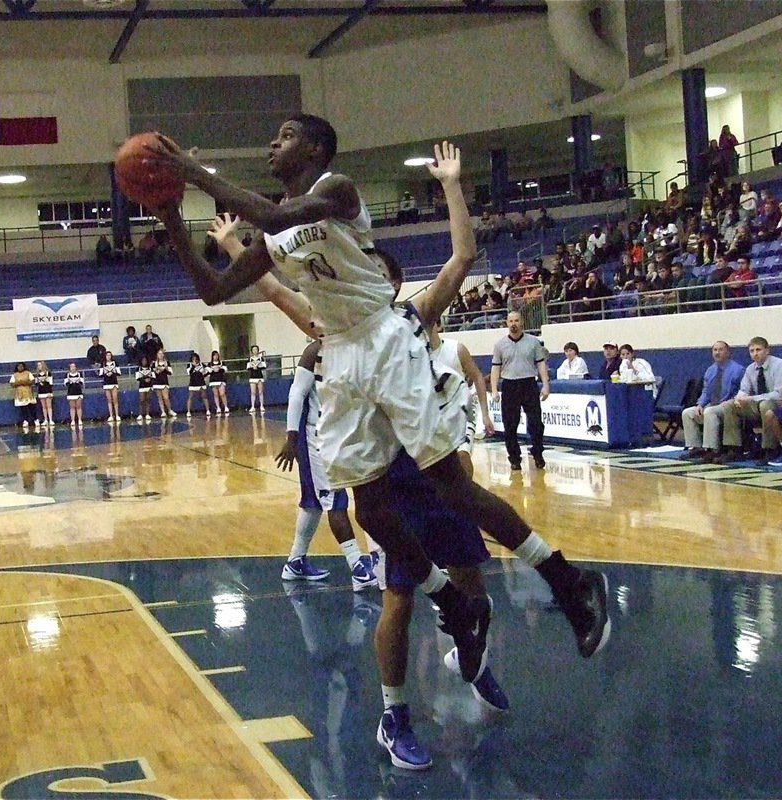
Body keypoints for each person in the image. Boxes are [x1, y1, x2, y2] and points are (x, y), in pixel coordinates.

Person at [150, 120, 608, 761]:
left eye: (284, 136)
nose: (272, 144)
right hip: (340, 357)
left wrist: (194, 175)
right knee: (368, 510)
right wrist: (171, 214)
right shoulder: (276, 237)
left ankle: (570, 583)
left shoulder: (336, 190)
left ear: (313, 150)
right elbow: (211, 288)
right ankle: (449, 600)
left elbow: (274, 214)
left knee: (452, 485)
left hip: (385, 339)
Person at [275, 339, 379, 592]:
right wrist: (292, 438)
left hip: (344, 435)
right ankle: (358, 567)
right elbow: (297, 393)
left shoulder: (355, 347)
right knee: (335, 501)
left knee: (314, 502)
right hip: (316, 438)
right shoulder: (314, 351)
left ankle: (295, 561)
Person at [705, 336, 782, 464]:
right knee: (730, 405)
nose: (755, 354)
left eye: (758, 350)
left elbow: (779, 394)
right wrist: (739, 398)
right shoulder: (751, 368)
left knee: (765, 405)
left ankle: (769, 449)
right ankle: (734, 449)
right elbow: (744, 389)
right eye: (752, 351)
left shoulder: (780, 365)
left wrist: (751, 398)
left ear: (767, 350)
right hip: (759, 403)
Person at [490, 311, 549, 470]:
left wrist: (545, 384)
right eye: (510, 321)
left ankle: (537, 453)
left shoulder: (534, 342)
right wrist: (494, 389)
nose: (513, 323)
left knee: (536, 423)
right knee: (510, 425)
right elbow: (496, 368)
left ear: (522, 322)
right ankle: (514, 458)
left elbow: (541, 364)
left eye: (516, 320)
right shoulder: (500, 345)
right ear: (507, 323)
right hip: (509, 385)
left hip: (529, 384)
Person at [680, 341, 746, 461]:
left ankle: (712, 449)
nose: (717, 352)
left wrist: (731, 401)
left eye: (720, 350)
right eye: (715, 350)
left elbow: (742, 391)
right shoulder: (710, 370)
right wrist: (700, 404)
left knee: (709, 412)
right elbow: (706, 391)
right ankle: (695, 447)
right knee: (688, 413)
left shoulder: (738, 370)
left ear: (727, 352)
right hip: (712, 404)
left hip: (727, 405)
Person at [10, 362, 37, 429]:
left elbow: (33, 381)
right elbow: (12, 384)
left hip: (28, 393)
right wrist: (19, 383)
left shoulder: (28, 373)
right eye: (19, 367)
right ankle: (25, 420)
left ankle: (35, 420)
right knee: (23, 408)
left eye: (22, 366)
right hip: (20, 394)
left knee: (31, 407)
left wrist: (25, 382)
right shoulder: (14, 375)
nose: (20, 368)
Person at [97, 351, 121, 423]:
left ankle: (117, 415)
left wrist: (113, 372)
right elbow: (100, 374)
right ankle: (111, 415)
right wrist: (106, 373)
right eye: (107, 355)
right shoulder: (103, 364)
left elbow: (119, 372)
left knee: (115, 399)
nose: (108, 357)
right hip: (107, 383)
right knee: (109, 400)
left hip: (113, 382)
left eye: (109, 355)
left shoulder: (115, 363)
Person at [152, 350, 177, 418]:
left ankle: (169, 410)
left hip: (164, 382)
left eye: (161, 354)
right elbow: (153, 373)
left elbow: (170, 372)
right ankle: (163, 411)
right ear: (157, 355)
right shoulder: (154, 363)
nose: (160, 355)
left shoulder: (166, 363)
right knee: (159, 397)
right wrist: (157, 370)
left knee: (166, 397)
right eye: (159, 354)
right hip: (157, 382)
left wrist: (165, 368)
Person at [185, 352, 211, 418]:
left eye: (196, 359)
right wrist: (194, 366)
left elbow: (209, 370)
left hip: (201, 383)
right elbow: (189, 373)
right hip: (193, 383)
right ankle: (188, 411)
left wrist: (204, 375)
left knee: (204, 396)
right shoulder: (189, 365)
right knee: (190, 397)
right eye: (193, 359)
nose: (195, 361)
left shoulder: (202, 365)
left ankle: (208, 410)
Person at [205, 350, 229, 415]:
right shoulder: (209, 364)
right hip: (213, 380)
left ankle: (226, 407)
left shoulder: (221, 363)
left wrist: (219, 369)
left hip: (221, 380)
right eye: (214, 355)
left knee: (222, 394)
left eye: (217, 355)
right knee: (216, 394)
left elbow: (225, 369)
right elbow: (208, 371)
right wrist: (212, 369)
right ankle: (218, 407)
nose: (215, 357)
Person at [245, 345, 267, 414]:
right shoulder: (250, 359)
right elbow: (248, 368)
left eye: (256, 349)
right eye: (253, 350)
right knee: (253, 392)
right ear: (252, 351)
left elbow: (264, 366)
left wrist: (258, 367)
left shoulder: (261, 358)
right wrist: (252, 367)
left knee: (260, 392)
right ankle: (253, 406)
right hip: (252, 377)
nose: (255, 351)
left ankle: (261, 406)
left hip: (259, 376)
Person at [64, 362, 85, 427]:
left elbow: (82, 382)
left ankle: (79, 419)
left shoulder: (79, 374)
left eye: (74, 366)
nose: (73, 368)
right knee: (72, 407)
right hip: (71, 393)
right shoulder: (67, 375)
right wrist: (70, 382)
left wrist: (77, 382)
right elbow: (66, 384)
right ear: (69, 368)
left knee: (78, 407)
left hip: (78, 392)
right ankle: (72, 420)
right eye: (71, 367)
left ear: (76, 367)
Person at [35, 361, 55, 427]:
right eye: (38, 365)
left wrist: (49, 392)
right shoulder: (37, 374)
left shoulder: (48, 373)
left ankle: (51, 419)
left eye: (40, 365)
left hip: (48, 391)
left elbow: (51, 383)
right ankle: (45, 420)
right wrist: (39, 383)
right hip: (41, 392)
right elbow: (36, 384)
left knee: (49, 406)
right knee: (43, 407)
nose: (39, 366)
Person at [134, 355, 155, 421]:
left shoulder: (150, 368)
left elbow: (154, 377)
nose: (144, 362)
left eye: (145, 361)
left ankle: (147, 414)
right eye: (143, 361)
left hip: (149, 386)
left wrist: (150, 379)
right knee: (142, 400)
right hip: (142, 386)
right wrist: (144, 380)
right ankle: (140, 414)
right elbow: (137, 378)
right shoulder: (138, 369)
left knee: (148, 399)